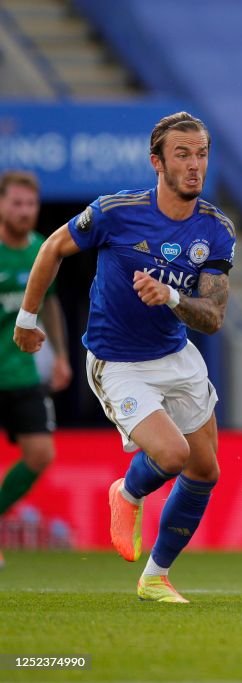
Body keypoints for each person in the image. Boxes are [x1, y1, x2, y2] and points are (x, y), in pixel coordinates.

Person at [14, 112, 235, 603]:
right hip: (118, 361)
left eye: (201, 154)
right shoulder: (116, 212)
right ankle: (128, 493)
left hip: (175, 356)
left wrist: (172, 298)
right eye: (182, 154)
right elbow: (53, 247)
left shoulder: (216, 230)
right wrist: (28, 319)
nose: (194, 165)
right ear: (157, 162)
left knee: (206, 470)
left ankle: (155, 577)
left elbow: (214, 316)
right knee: (173, 455)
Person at [0, 171, 72, 568]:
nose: (24, 211)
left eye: (30, 204)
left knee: (40, 454)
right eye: (16, 203)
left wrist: (61, 355)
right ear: (1, 204)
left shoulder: (41, 250)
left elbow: (52, 304)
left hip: (23, 373)